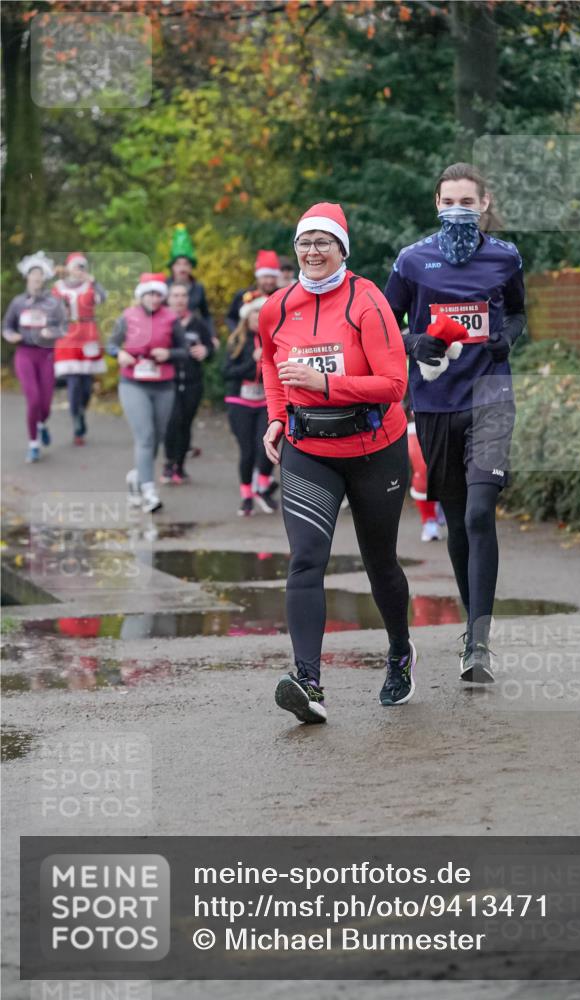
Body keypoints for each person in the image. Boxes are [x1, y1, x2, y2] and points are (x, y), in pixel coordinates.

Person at [260, 202, 414, 723]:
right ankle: (307, 682)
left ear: (342, 249)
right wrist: (278, 415)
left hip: (374, 449)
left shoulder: (367, 301)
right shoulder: (277, 307)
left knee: (380, 563)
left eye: (324, 242)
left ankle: (399, 652)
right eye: (305, 243)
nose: (312, 251)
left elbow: (395, 385)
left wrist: (324, 384)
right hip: (309, 452)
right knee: (305, 559)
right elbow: (270, 361)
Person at [385, 162, 525, 685]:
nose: (458, 211)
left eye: (468, 202)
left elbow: (516, 313)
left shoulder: (505, 256)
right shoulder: (413, 260)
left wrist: (505, 339)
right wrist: (413, 341)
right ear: (435, 204)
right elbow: (383, 325)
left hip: (491, 395)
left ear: (484, 205)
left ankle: (479, 641)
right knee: (457, 514)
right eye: (450, 202)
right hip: (437, 401)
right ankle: (473, 624)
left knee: (480, 512)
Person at [107, 273, 187, 513]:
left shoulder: (171, 318)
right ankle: (149, 491)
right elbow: (111, 344)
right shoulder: (128, 316)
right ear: (141, 295)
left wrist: (169, 354)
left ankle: (136, 478)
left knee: (157, 437)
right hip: (133, 383)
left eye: (158, 294)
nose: (154, 298)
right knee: (145, 436)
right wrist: (118, 354)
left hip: (163, 384)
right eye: (150, 294)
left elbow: (184, 351)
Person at [2, 252, 66, 462]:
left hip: (46, 354)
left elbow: (63, 327)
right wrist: (11, 335)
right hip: (25, 353)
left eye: (40, 275)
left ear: (45, 278)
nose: (37, 278)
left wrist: (52, 333)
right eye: (33, 275)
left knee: (45, 403)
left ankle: (42, 424)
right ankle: (33, 444)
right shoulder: (18, 302)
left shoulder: (53, 303)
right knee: (33, 399)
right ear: (27, 277)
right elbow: (7, 327)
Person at [223, 292, 278, 516]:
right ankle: (246, 495)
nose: (259, 316)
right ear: (247, 316)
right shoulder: (237, 340)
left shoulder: (275, 339)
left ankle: (262, 487)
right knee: (247, 452)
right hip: (240, 402)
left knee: (267, 447)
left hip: (266, 402)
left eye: (262, 312)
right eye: (255, 311)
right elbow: (226, 373)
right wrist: (251, 361)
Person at [161, 283, 214, 484]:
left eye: (183, 295)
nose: (180, 299)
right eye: (175, 295)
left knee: (185, 424)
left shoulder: (197, 323)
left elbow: (210, 346)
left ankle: (180, 466)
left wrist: (206, 351)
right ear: (168, 298)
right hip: (169, 382)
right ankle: (168, 463)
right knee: (171, 423)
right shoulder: (162, 321)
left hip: (193, 382)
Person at [52, 253, 107, 445]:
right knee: (73, 381)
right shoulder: (58, 287)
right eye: (76, 267)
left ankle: (82, 410)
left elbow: (103, 298)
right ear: (69, 268)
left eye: (82, 267)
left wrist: (93, 281)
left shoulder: (90, 286)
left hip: (88, 333)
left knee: (86, 383)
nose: (79, 271)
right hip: (67, 335)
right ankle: (76, 418)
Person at [166, 224, 214, 336]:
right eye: (178, 264)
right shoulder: (164, 286)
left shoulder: (198, 288)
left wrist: (212, 336)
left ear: (191, 267)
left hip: (193, 334)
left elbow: (206, 315)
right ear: (172, 267)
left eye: (186, 264)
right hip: (169, 335)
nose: (182, 268)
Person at [226, 250, 281, 332]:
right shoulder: (243, 294)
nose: (269, 281)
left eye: (273, 277)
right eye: (265, 277)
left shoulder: (282, 296)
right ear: (258, 277)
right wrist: (238, 332)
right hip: (248, 342)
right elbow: (230, 318)